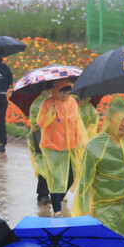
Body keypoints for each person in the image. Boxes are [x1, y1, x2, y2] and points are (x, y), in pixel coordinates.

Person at [72, 96, 124, 244]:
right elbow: (85, 182)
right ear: (110, 119)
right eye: (120, 119)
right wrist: (83, 215)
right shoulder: (96, 145)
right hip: (103, 211)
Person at [36, 79, 87, 217]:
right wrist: (50, 114)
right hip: (51, 147)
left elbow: (77, 123)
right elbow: (40, 122)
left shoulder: (72, 103)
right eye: (62, 90)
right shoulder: (47, 103)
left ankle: (56, 199)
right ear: (55, 90)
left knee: (70, 177)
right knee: (55, 179)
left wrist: (81, 142)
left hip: (68, 147)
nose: (65, 93)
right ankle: (57, 211)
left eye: (68, 89)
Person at [27, 93, 50, 204]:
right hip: (41, 137)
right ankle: (43, 194)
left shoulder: (55, 101)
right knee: (43, 165)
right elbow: (36, 123)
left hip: (54, 138)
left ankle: (45, 193)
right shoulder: (38, 103)